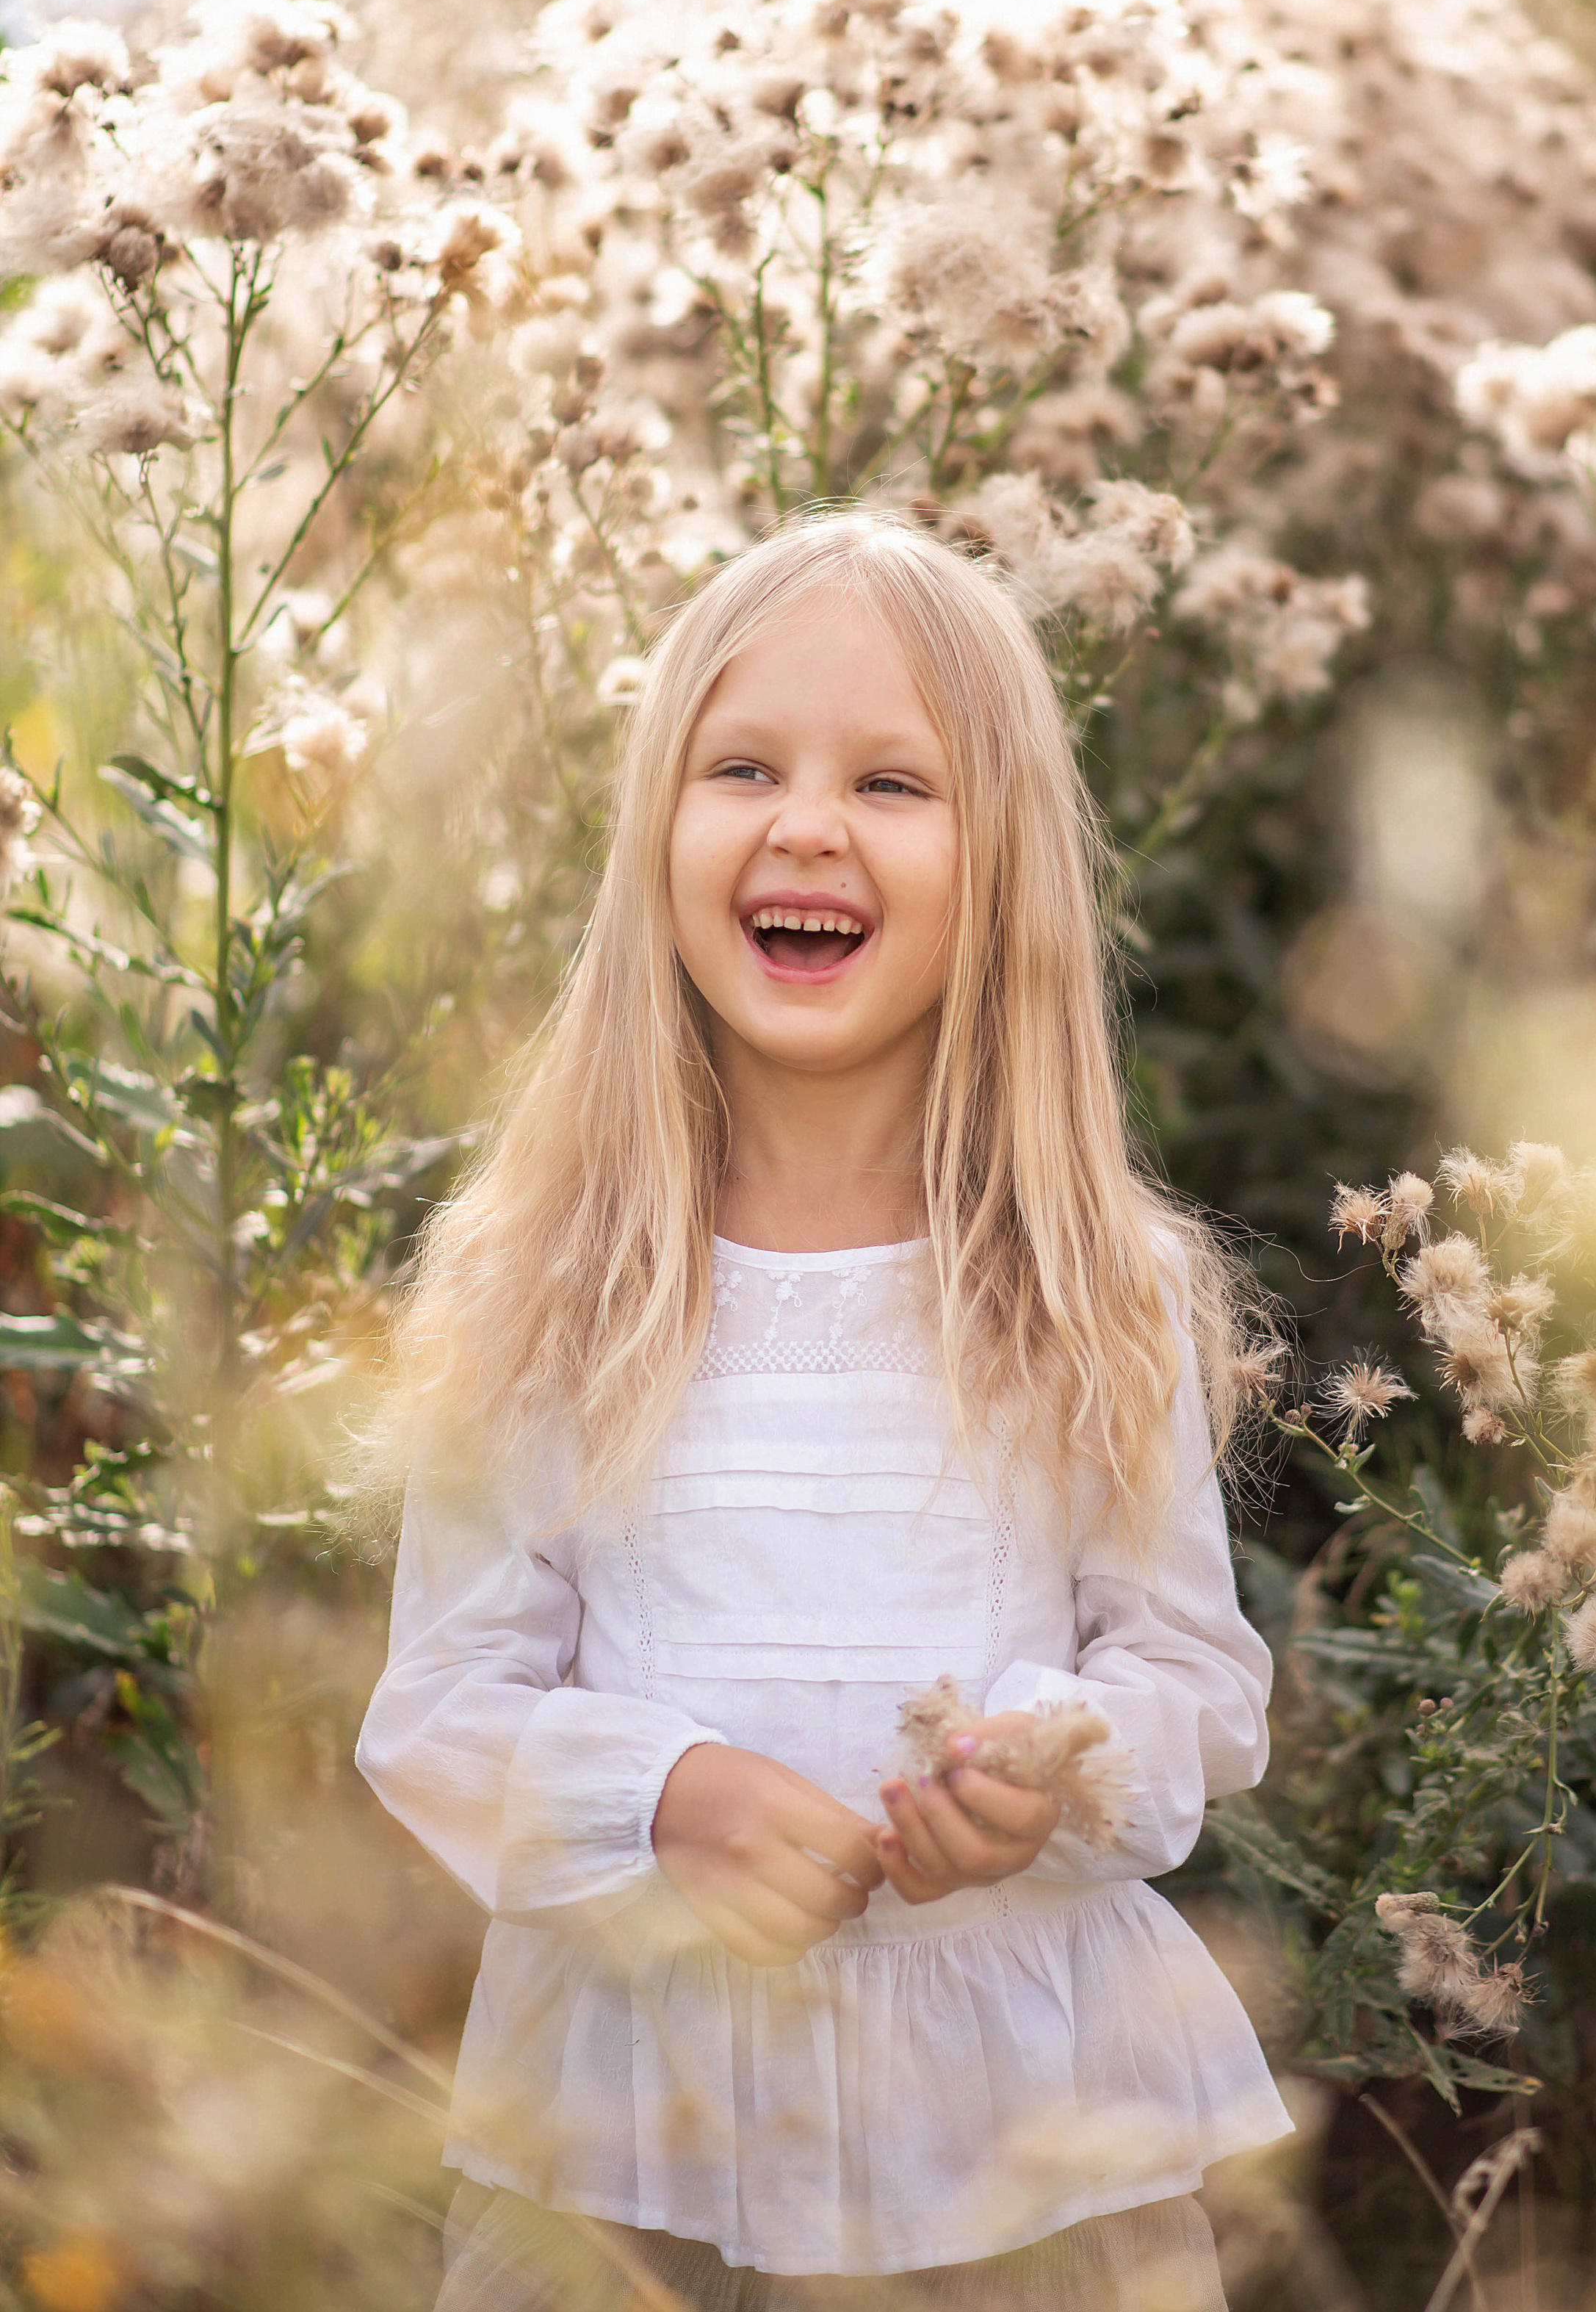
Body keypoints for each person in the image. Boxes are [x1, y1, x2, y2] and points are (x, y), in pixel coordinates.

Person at [355, 512, 1291, 2312]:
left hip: (1020, 2149)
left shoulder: (1095, 1291)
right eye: (740, 768)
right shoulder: (541, 1285)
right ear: (655, 841)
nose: (805, 825)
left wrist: (1051, 1771)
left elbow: (1192, 1678)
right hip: (636, 2132)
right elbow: (440, 1709)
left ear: (1000, 868)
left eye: (890, 782)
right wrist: (664, 1799)